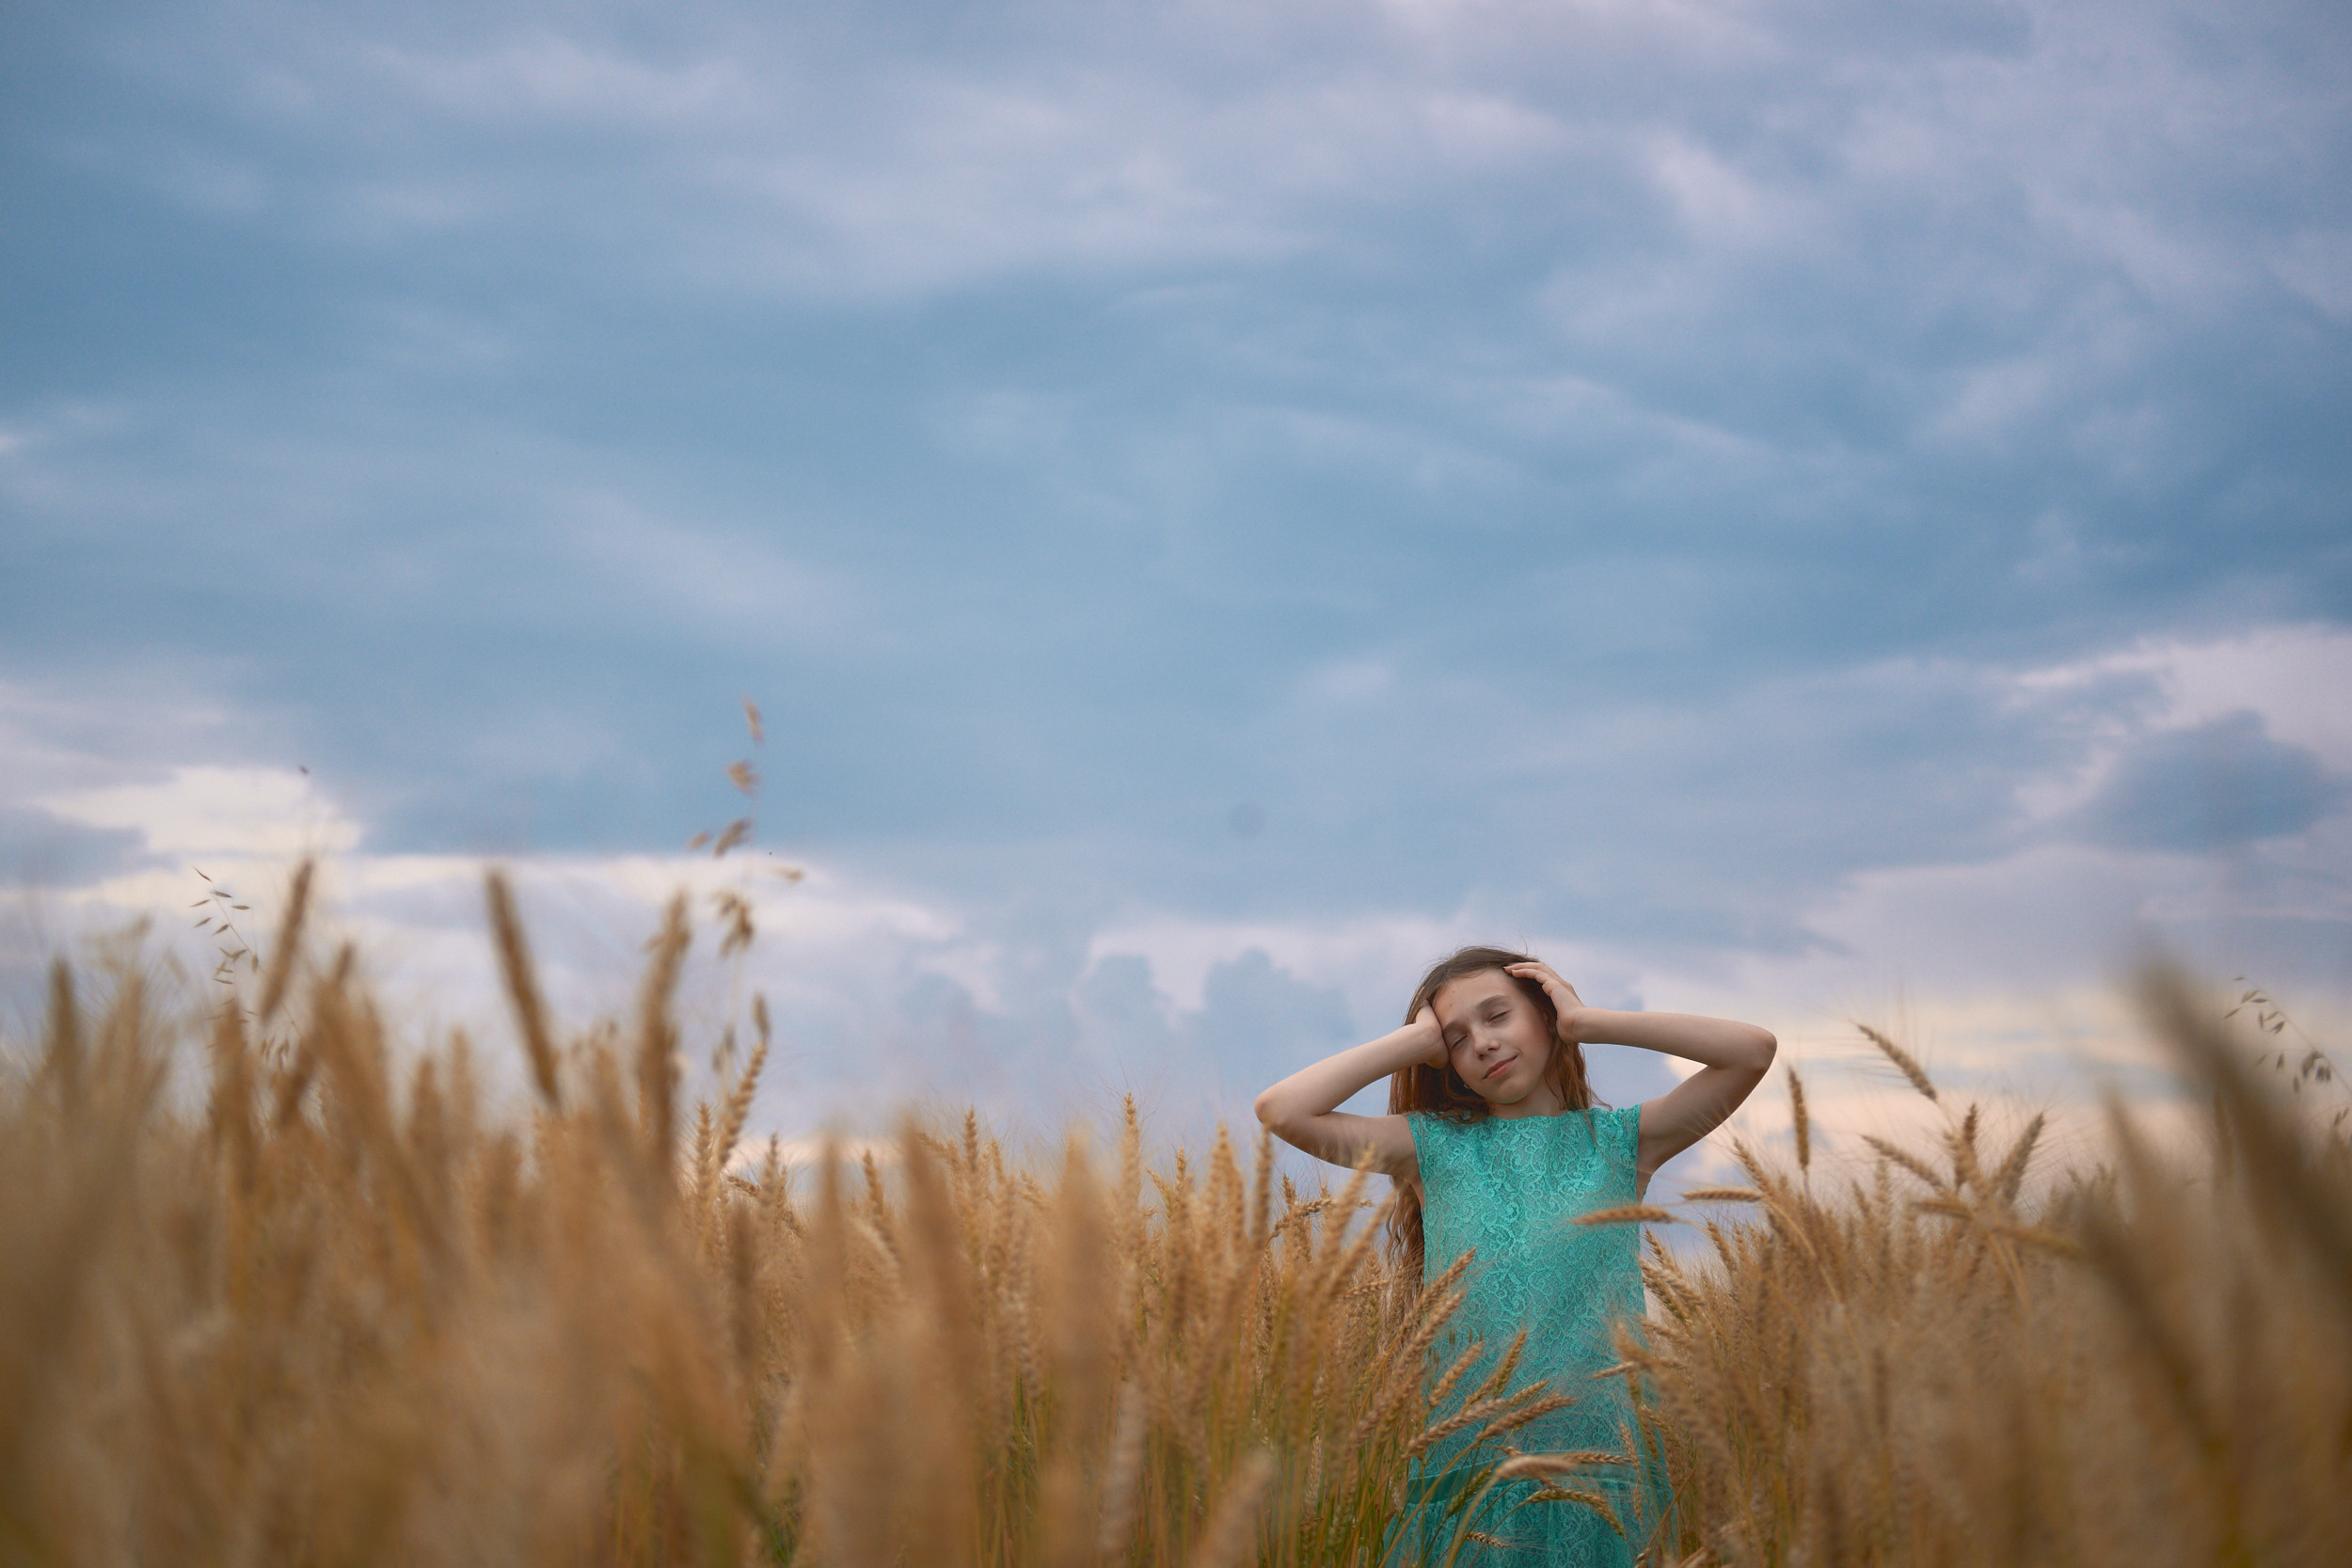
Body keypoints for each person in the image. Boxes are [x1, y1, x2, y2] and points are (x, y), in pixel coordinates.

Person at [1253, 946, 1775, 1567]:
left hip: (1601, 1464)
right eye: (1456, 1038)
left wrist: (1587, 1021)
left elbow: (1753, 1051)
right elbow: (1281, 1110)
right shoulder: (1430, 1147)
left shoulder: (1620, 1141)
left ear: (1545, 1017)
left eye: (1498, 1015)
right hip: (1471, 1471)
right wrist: (1413, 1041)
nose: (1482, 1043)